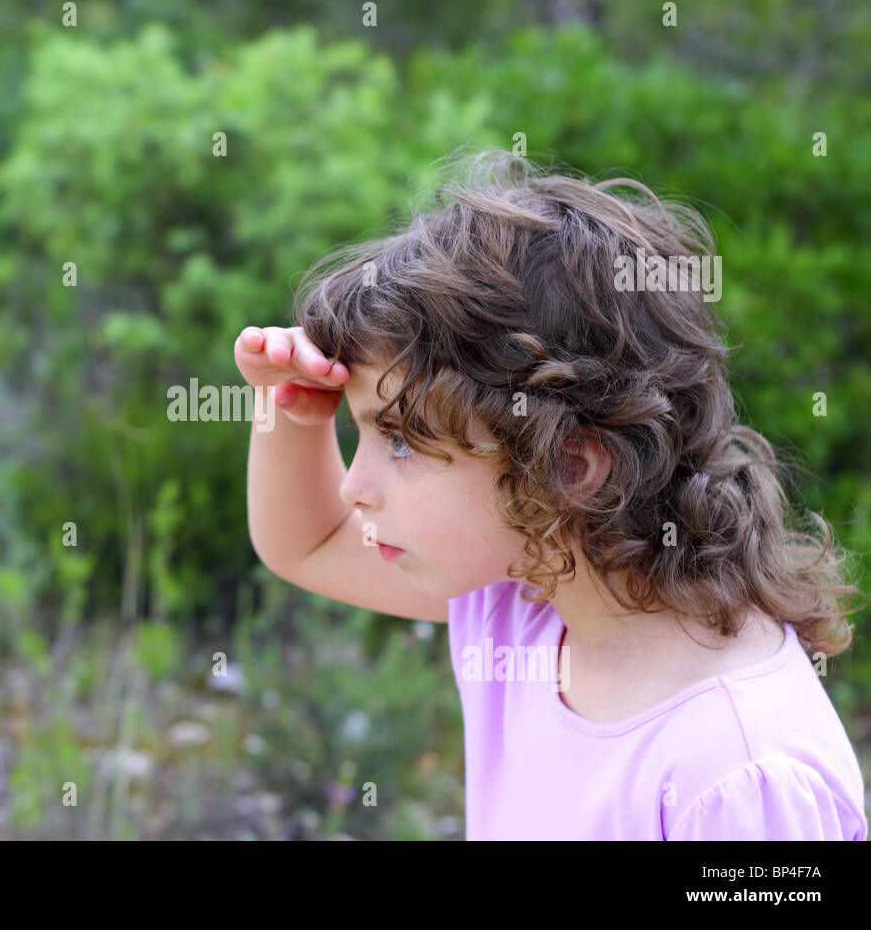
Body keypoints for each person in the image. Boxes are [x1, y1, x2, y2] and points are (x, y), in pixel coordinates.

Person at [235, 147, 867, 840]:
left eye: (403, 441)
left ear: (569, 465)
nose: (355, 488)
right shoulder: (526, 595)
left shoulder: (739, 777)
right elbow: (309, 543)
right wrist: (289, 409)